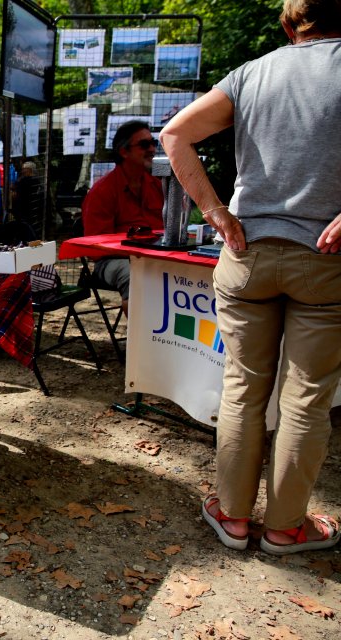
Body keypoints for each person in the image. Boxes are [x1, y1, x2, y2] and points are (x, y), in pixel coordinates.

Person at [160, 0, 341, 555]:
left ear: (290, 25)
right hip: (326, 261)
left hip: (248, 253)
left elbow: (174, 135)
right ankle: (286, 528)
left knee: (241, 390)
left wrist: (216, 213)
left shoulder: (253, 72)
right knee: (307, 401)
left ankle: (234, 517)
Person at [81, 120, 165, 315]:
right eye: (144, 145)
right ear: (124, 151)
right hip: (113, 260)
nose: (152, 149)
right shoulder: (102, 191)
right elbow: (95, 248)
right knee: (136, 276)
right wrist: (138, 253)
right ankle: (140, 343)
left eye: (153, 143)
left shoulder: (158, 185)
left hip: (154, 255)